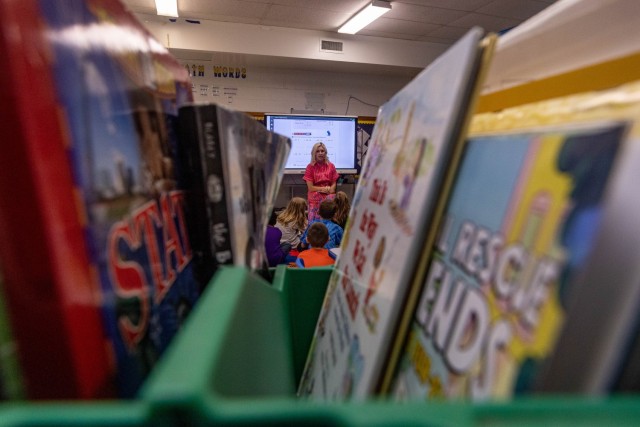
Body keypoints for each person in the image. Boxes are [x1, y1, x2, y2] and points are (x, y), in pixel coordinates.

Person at [303, 142, 339, 221]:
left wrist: (330, 190)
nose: (320, 153)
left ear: (325, 153)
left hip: (328, 194)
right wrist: (324, 189)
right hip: (315, 195)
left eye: (322, 151)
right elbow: (311, 188)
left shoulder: (331, 166)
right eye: (317, 151)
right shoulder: (310, 167)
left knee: (331, 198)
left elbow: (333, 184)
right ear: (314, 153)